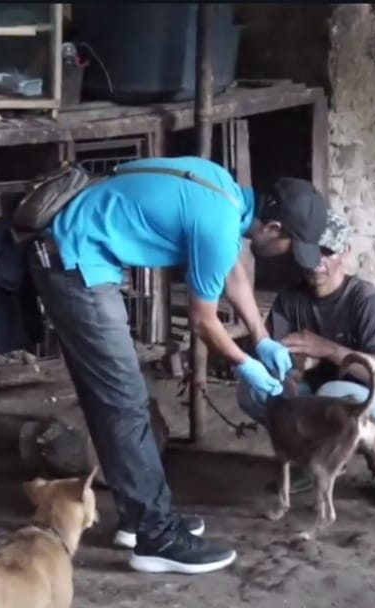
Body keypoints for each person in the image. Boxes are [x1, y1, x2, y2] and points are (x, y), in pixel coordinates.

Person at [26, 155, 328, 575]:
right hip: (74, 264)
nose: (289, 256)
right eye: (292, 246)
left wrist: (262, 339)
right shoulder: (219, 225)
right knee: (125, 403)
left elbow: (232, 271)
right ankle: (156, 536)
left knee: (116, 401)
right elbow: (205, 322)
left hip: (74, 253)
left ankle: (137, 517)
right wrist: (245, 365)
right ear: (274, 228)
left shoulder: (223, 189)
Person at [236, 209, 375, 505]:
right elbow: (278, 359)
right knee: (254, 389)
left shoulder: (366, 300)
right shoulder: (290, 300)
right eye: (309, 254)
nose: (316, 264)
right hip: (316, 402)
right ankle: (310, 456)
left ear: (345, 253)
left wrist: (327, 350)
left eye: (327, 253)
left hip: (374, 402)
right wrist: (287, 380)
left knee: (336, 393)